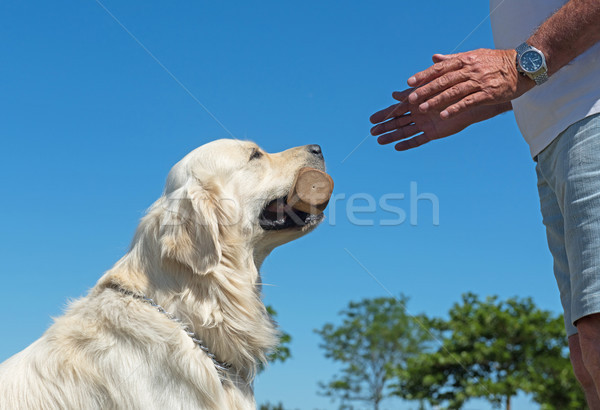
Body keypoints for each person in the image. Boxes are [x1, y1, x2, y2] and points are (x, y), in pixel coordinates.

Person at [370, 0, 600, 407]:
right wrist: (476, 98)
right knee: (586, 359)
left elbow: (530, 63)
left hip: (592, 121)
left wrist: (520, 65)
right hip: (551, 145)